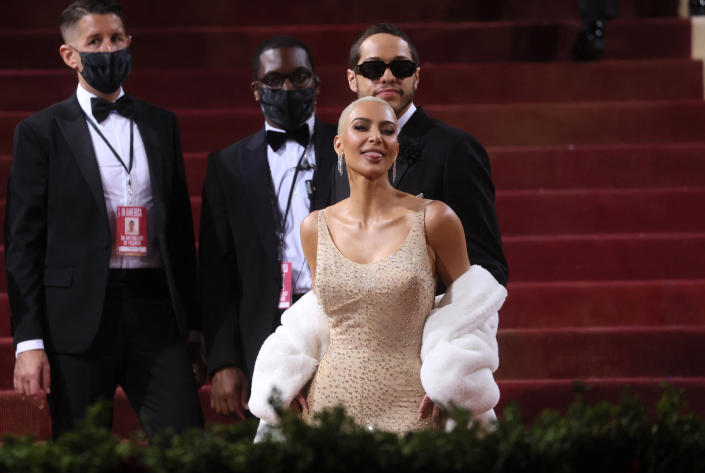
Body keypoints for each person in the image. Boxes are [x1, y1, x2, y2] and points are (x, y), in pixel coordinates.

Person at [248, 97, 506, 436]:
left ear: (397, 147)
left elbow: (472, 311)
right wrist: (289, 376)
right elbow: (318, 316)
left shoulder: (435, 218)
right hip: (329, 404)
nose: (376, 137)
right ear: (339, 143)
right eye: (361, 127)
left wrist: (452, 379)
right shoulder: (314, 227)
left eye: (388, 130)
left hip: (414, 402)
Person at [5, 0, 203, 438]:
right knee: (80, 454)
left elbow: (178, 233)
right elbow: (23, 243)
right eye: (94, 41)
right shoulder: (40, 131)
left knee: (187, 444)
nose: (108, 49)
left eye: (116, 38)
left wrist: (192, 326)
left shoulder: (161, 124)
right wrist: (29, 341)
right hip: (76, 318)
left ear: (129, 43)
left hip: (155, 311)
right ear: (69, 54)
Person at [199, 36, 337, 421]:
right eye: (274, 81)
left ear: (317, 85)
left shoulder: (347, 148)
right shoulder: (227, 165)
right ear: (256, 91)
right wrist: (223, 360)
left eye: (299, 77)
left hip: (338, 319)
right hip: (261, 327)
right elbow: (216, 270)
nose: (288, 89)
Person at [331, 23, 508, 287]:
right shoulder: (345, 150)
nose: (388, 77)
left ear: (416, 76)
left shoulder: (455, 149)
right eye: (373, 69)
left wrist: (439, 326)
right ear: (351, 78)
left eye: (401, 68)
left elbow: (487, 266)